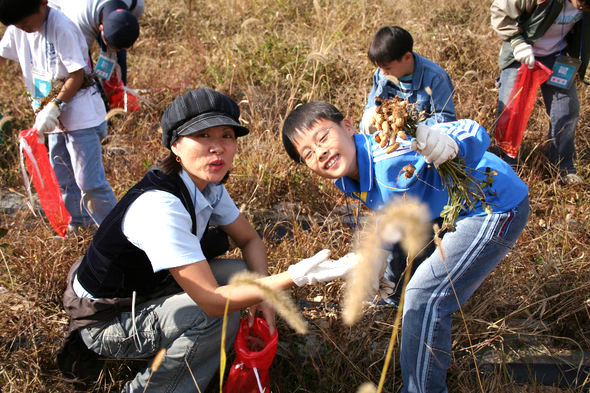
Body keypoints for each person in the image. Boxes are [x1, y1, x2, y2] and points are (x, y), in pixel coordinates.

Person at [58, 88, 355, 392]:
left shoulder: (205, 185)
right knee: (216, 316)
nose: (218, 148)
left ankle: (198, 350)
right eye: (202, 136)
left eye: (227, 135)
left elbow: (249, 238)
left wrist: (263, 295)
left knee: (242, 276)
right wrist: (294, 278)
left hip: (148, 288)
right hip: (105, 320)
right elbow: (213, 302)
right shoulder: (160, 207)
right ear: (175, 144)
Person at [281, 101, 530, 393]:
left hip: (492, 206)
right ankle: (406, 316)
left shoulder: (390, 151)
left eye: (322, 137)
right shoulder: (347, 174)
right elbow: (390, 207)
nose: (320, 152)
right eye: (308, 153)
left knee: (424, 296)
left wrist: (449, 144)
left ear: (348, 126)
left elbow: (471, 130)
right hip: (446, 210)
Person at [0, 0, 117, 229]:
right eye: (17, 26)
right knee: (62, 178)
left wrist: (55, 105)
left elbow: (77, 75)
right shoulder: (19, 26)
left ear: (42, 4)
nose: (22, 29)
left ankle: (113, 230)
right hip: (50, 118)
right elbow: (2, 55)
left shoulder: (61, 26)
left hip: (79, 115)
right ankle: (79, 225)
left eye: (25, 23)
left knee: (88, 181)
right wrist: (49, 110)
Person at [491, 0, 589, 184]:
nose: (583, 9)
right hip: (521, 54)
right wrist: (517, 42)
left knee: (567, 110)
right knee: (511, 113)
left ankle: (562, 166)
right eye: (582, 3)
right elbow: (500, 10)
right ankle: (506, 167)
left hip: (557, 56)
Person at [360, 25, 456, 132]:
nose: (382, 72)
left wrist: (407, 129)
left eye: (387, 68)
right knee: (368, 118)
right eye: (380, 67)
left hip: (421, 137)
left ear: (407, 57)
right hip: (389, 132)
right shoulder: (382, 73)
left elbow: (445, 119)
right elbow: (371, 107)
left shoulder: (435, 78)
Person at [48, 0, 143, 86]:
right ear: (100, 28)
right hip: (61, 6)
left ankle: (118, 94)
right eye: (112, 46)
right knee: (85, 72)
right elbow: (78, 66)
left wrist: (113, 57)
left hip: (98, 13)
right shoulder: (79, 24)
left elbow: (122, 28)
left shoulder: (137, 5)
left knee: (118, 50)